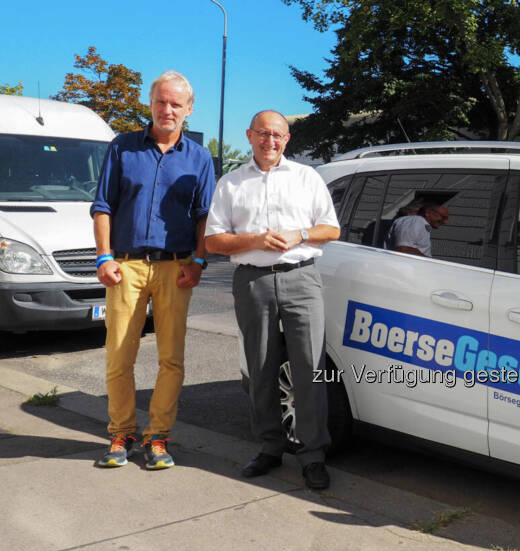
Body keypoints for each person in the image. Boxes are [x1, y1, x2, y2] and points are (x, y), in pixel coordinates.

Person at [205, 110, 341, 490]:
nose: (271, 141)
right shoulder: (231, 184)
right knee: (260, 367)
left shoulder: (307, 178)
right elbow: (213, 241)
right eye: (263, 134)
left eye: (278, 135)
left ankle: (313, 455)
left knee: (309, 367)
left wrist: (300, 234)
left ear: (287, 140)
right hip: (253, 280)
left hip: (301, 277)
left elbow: (331, 228)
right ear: (249, 136)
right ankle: (269, 447)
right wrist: (254, 240)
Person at [91, 71, 214, 470]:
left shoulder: (200, 158)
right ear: (151, 103)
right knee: (118, 357)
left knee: (171, 360)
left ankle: (157, 437)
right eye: (162, 102)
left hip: (175, 268)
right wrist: (103, 257)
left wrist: (198, 261)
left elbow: (204, 218)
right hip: (125, 266)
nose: (168, 110)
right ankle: (121, 432)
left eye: (176, 104)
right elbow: (103, 206)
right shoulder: (123, 147)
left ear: (189, 110)